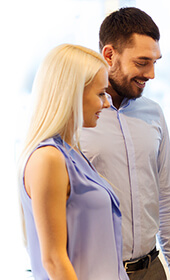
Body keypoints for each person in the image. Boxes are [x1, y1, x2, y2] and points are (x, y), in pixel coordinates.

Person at [80, 7, 170, 280]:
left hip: (152, 269)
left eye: (155, 62)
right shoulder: (75, 117)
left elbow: (169, 201)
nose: (151, 74)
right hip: (96, 271)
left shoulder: (153, 113)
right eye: (142, 62)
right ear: (109, 55)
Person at [18, 44, 128, 279]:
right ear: (72, 94)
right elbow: (54, 261)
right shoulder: (48, 158)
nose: (107, 103)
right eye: (100, 94)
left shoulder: (72, 153)